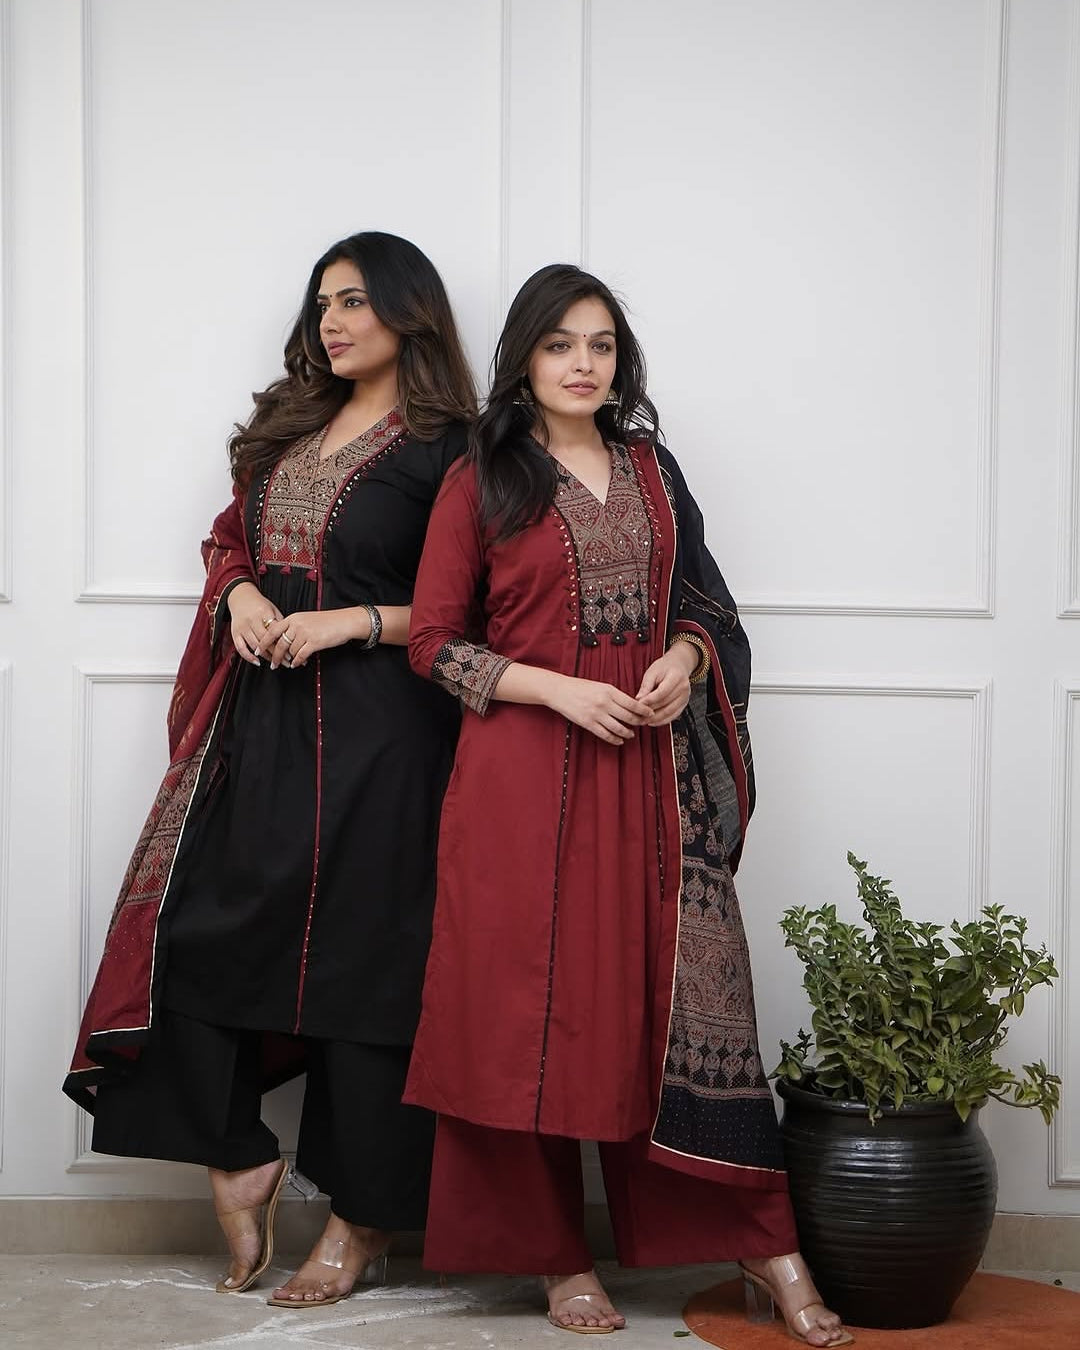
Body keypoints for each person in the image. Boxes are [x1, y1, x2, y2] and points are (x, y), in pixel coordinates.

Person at [404, 263, 853, 1344]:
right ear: (523, 357)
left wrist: (691, 661)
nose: (583, 364)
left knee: (692, 1011)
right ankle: (558, 1257)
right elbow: (431, 641)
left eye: (601, 345)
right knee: (532, 1021)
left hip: (651, 783)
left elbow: (705, 599)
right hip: (518, 783)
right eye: (561, 345)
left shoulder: (653, 469)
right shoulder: (482, 478)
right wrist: (554, 687)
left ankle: (760, 1242)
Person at [63, 231, 475, 1308]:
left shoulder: (453, 450)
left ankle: (360, 1220)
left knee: (366, 971)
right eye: (322, 303)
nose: (332, 322)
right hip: (264, 727)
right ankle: (237, 1149)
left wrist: (351, 622)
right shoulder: (288, 427)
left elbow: (467, 606)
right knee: (200, 929)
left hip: (391, 738)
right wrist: (242, 593)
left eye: (355, 302)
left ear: (408, 314)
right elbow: (230, 541)